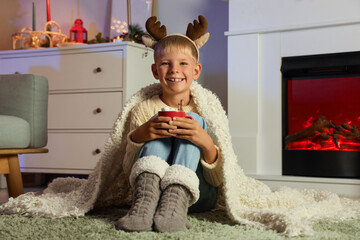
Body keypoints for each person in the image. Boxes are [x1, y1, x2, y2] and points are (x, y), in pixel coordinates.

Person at [115, 16, 223, 232]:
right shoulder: (143, 110)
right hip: (152, 192)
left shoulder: (207, 111)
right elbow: (127, 169)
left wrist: (206, 143)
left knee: (194, 121)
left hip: (196, 194)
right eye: (166, 63)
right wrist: (141, 136)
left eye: (183, 63)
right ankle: (143, 207)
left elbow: (218, 178)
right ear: (156, 71)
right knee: (157, 122)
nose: (174, 70)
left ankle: (175, 204)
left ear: (195, 71)